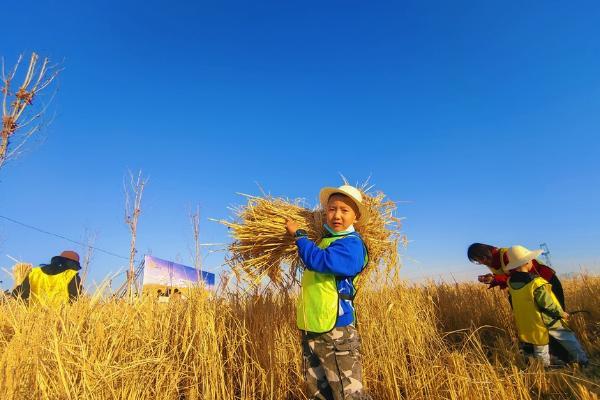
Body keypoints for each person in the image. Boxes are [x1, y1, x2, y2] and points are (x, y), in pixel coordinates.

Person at [285, 184, 371, 400]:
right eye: (332, 209)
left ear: (356, 217)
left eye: (345, 210)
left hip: (337, 331)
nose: (337, 215)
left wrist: (300, 236)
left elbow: (321, 261)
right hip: (312, 326)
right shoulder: (324, 241)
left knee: (348, 394)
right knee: (319, 393)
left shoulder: (352, 245)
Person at [504, 245, 588, 367]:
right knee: (567, 337)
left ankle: (544, 368)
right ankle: (582, 360)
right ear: (528, 262)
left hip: (529, 322)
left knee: (540, 346)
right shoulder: (537, 283)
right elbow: (547, 304)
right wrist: (561, 313)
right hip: (547, 319)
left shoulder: (510, 283)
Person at [467, 243, 565, 308]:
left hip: (546, 281)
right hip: (532, 287)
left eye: (477, 259)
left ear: (483, 255)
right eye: (476, 261)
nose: (480, 262)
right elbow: (510, 278)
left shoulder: (505, 255)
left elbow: (518, 277)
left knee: (557, 312)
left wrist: (495, 279)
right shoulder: (492, 263)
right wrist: (492, 278)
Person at [12, 250, 82, 306]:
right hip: (60, 318)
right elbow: (75, 298)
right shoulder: (71, 275)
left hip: (35, 317)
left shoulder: (34, 272)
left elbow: (19, 295)